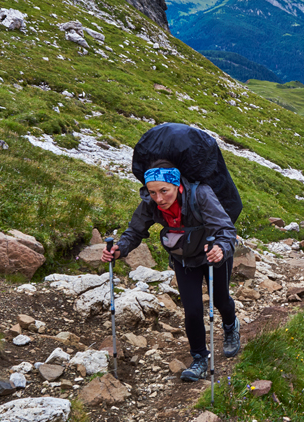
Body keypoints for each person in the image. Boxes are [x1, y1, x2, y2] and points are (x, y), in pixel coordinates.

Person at [102, 159, 240, 381]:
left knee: (221, 299)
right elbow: (134, 231)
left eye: (164, 191)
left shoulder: (200, 194)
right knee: (192, 310)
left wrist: (221, 249)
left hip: (213, 254)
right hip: (183, 258)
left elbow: (225, 228)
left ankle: (231, 326)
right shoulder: (150, 202)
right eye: (152, 192)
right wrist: (120, 249)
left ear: (177, 185)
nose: (158, 198)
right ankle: (199, 360)